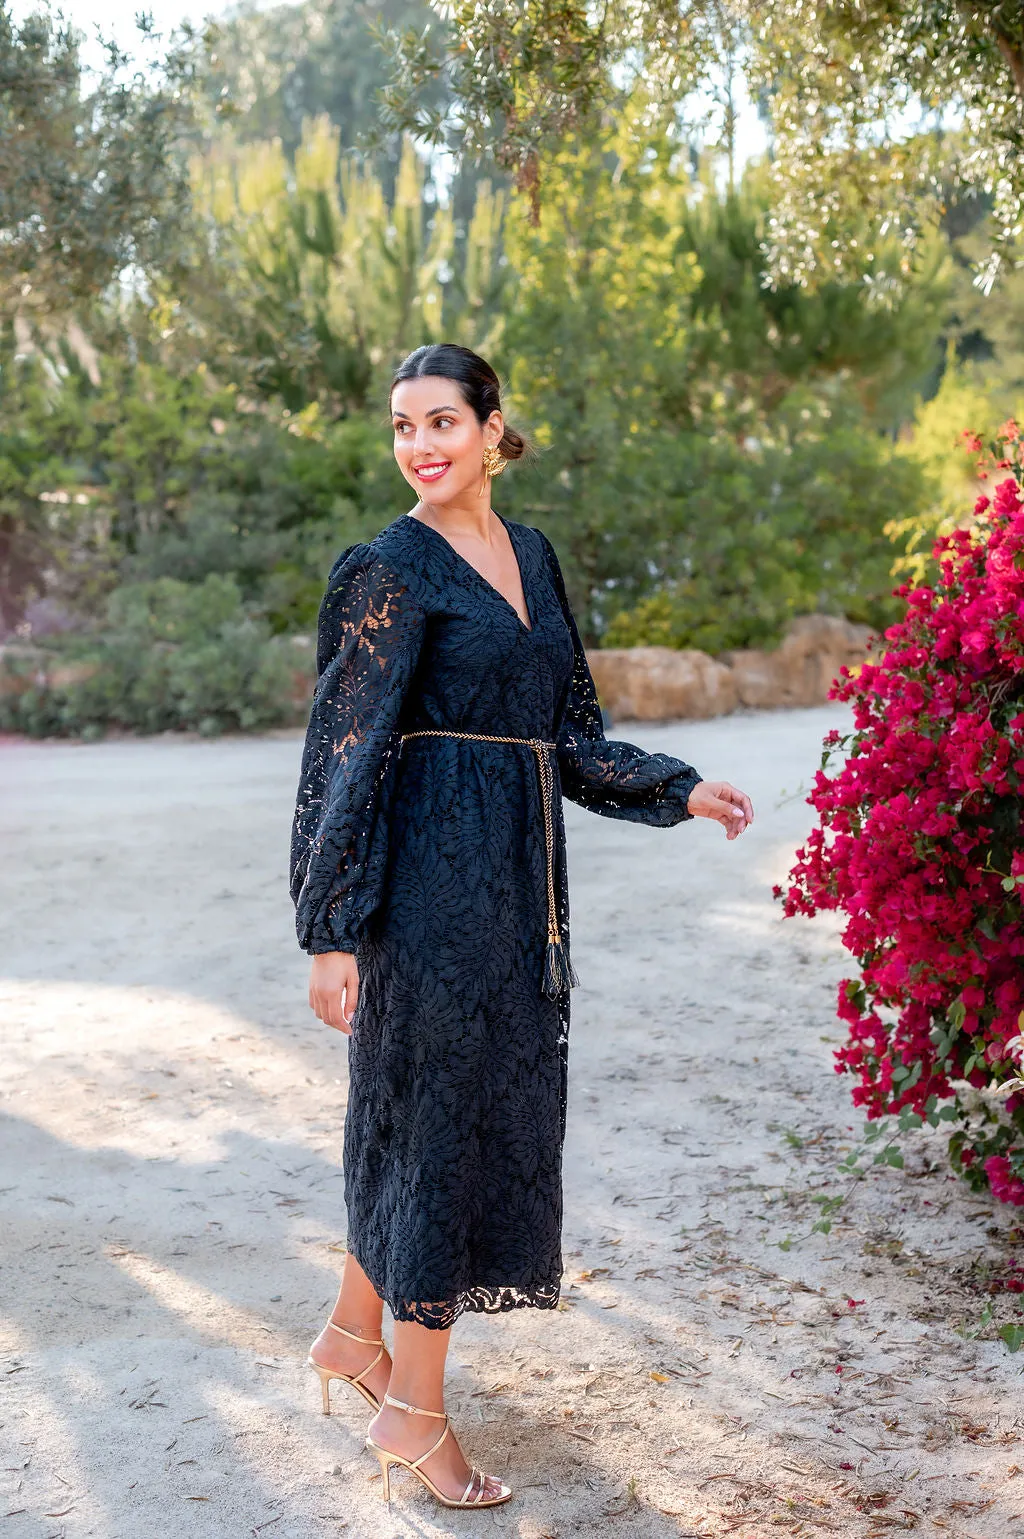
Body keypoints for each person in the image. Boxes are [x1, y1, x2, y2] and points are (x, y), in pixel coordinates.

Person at [289, 342, 753, 1511]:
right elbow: (343, 758)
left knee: (435, 1113)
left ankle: (355, 1335)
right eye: (403, 427)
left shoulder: (531, 557)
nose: (422, 446)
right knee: (434, 1130)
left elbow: (573, 732)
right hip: (424, 897)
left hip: (519, 894)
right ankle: (413, 1414)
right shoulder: (385, 568)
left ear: (495, 429)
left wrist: (674, 786)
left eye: (443, 421)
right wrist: (333, 927)